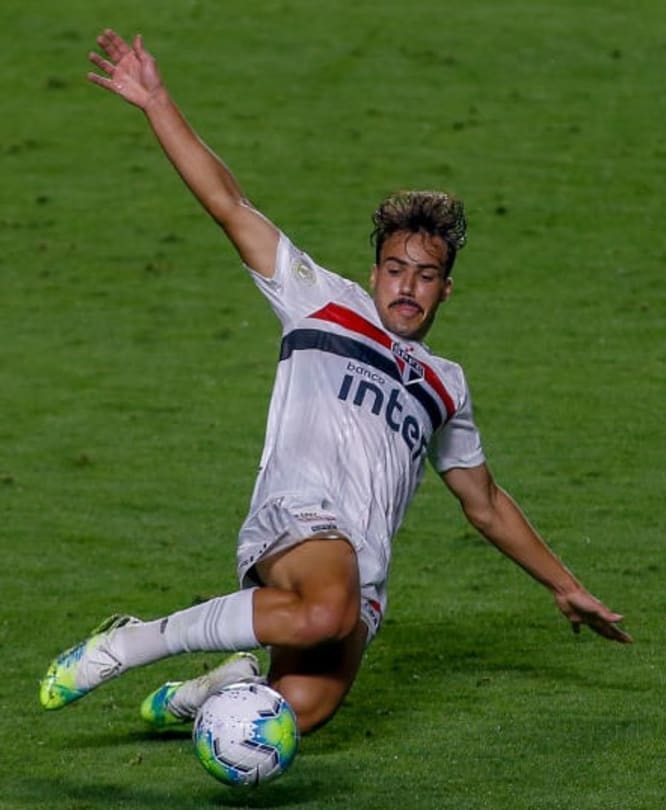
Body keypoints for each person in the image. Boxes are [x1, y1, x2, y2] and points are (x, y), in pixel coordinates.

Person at [40, 29, 632, 736]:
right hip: (301, 516)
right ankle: (134, 641)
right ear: (375, 271)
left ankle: (216, 688)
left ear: (446, 289)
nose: (407, 286)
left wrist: (565, 586)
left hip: (364, 570)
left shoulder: (445, 386)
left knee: (290, 718)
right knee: (323, 609)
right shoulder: (319, 300)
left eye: (426, 275)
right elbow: (230, 204)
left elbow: (486, 504)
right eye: (395, 269)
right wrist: (157, 102)